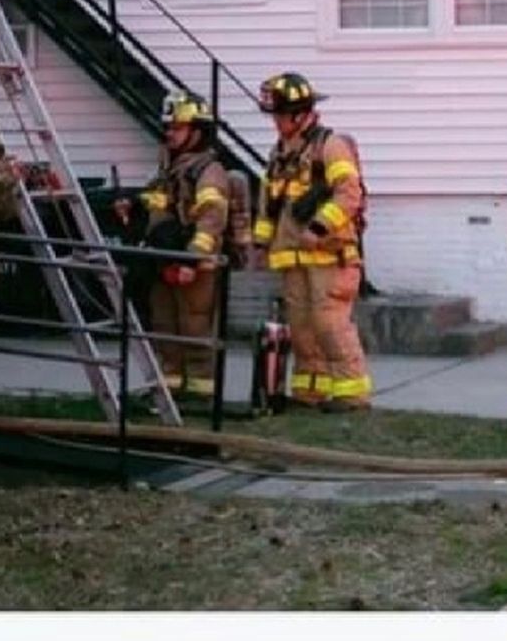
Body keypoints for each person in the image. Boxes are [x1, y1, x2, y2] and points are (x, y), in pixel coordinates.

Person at [251, 71, 371, 412]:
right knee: (302, 330)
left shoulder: (330, 146)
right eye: (274, 115)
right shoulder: (279, 153)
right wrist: (260, 244)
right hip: (292, 259)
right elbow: (269, 205)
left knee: (330, 325)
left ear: (301, 114)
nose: (276, 122)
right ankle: (310, 392)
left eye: (281, 115)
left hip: (330, 257)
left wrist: (319, 228)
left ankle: (352, 393)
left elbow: (349, 194)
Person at [135, 91, 229, 397]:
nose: (170, 134)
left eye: (177, 128)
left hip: (195, 263)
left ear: (197, 132)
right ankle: (170, 386)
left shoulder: (208, 171)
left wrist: (192, 260)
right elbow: (159, 208)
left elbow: (211, 218)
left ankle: (201, 391)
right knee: (163, 324)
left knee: (195, 327)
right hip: (167, 257)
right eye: (168, 128)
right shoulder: (169, 167)